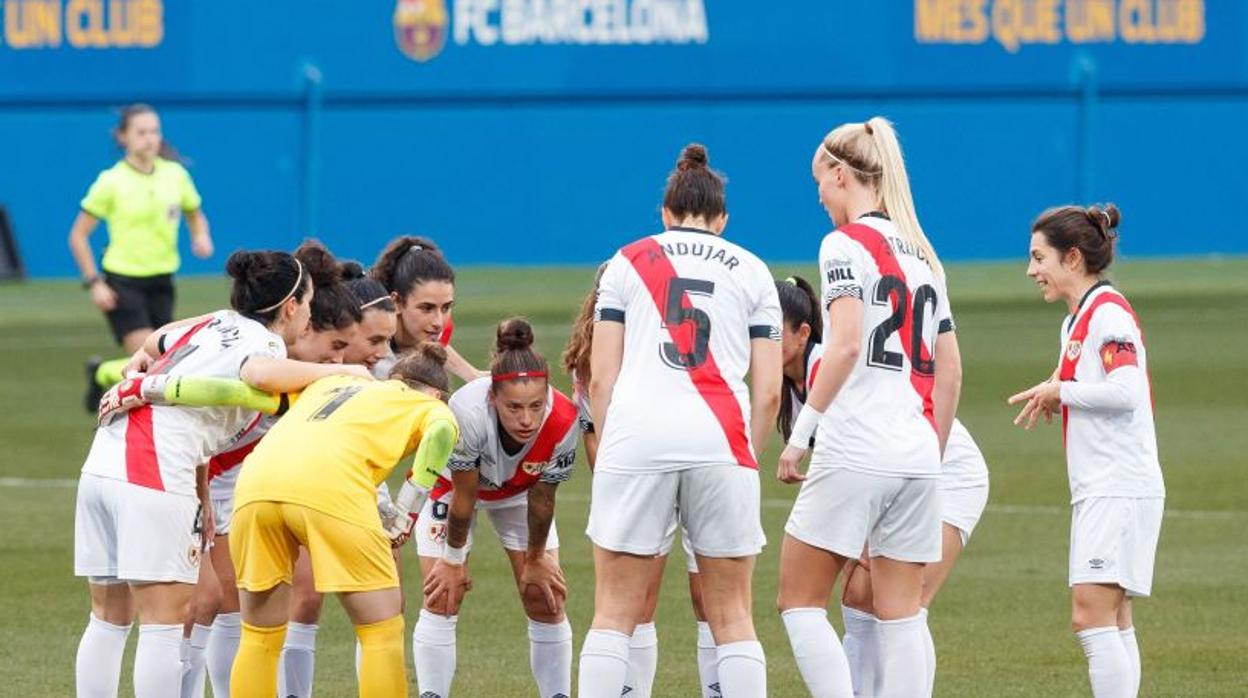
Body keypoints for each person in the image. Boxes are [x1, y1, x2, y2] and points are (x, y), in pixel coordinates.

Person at [74, 249, 368, 698]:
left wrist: (138, 355)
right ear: (290, 307)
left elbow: (160, 338)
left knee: (108, 617)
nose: (308, 315)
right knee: (164, 623)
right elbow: (262, 373)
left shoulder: (213, 321)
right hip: (152, 466)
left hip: (103, 461)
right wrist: (349, 374)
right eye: (307, 304)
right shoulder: (264, 341)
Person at [578, 143, 783, 698]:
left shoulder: (625, 261)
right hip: (722, 438)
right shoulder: (754, 270)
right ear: (722, 219)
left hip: (635, 438)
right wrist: (747, 452)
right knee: (733, 615)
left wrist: (612, 447)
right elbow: (767, 392)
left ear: (665, 214)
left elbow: (601, 378)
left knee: (614, 612)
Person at [775, 117, 961, 697]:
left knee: (798, 601)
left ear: (840, 173)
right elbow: (951, 369)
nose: (820, 197)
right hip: (916, 452)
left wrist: (800, 434)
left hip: (858, 442)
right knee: (901, 614)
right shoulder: (925, 255)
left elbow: (848, 344)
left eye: (820, 183)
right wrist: (928, 451)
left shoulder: (843, 244)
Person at [774, 275, 989, 696]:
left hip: (948, 474)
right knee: (857, 597)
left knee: (905, 605)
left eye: (771, 330)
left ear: (802, 334)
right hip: (893, 469)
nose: (761, 340)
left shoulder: (826, 367)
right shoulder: (794, 384)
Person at [181, 242, 364, 698]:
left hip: (223, 483)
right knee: (205, 602)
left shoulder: (294, 368)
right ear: (303, 323)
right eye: (336, 346)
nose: (340, 360)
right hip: (188, 475)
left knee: (232, 605)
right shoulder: (265, 355)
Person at [227, 344, 459, 698]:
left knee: (259, 636)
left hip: (255, 485)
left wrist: (155, 389)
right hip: (331, 487)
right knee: (380, 632)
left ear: (394, 378)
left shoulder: (331, 385)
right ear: (438, 393)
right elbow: (441, 434)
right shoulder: (430, 406)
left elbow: (246, 395)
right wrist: (405, 513)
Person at [1009, 204, 1164, 698]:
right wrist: (1056, 388)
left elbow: (1127, 391)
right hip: (1105, 486)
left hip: (1118, 486)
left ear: (1072, 257)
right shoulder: (1078, 318)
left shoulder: (1108, 313)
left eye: (1039, 258)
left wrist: (1063, 392)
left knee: (1090, 615)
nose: (1032, 271)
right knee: (1113, 618)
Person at [561, 266, 713, 698]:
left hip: (692, 463)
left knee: (709, 601)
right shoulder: (591, 360)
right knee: (638, 604)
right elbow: (593, 436)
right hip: (645, 473)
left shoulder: (667, 347)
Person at [411, 318, 578, 698]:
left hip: (521, 492)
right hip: (452, 490)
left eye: (536, 406)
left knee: (545, 595)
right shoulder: (467, 411)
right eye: (514, 407)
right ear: (492, 398)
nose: (526, 419)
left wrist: (536, 558)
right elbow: (464, 498)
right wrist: (453, 560)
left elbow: (543, 498)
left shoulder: (564, 419)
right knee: (442, 594)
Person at [68, 103, 213, 409]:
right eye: (141, 132)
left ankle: (103, 373)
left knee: (164, 360)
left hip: (162, 281)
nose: (150, 138)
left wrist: (201, 236)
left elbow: (195, 214)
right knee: (153, 363)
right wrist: (95, 283)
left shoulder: (175, 175)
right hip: (123, 281)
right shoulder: (111, 181)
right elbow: (78, 236)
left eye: (155, 131)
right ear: (123, 137)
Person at [370, 235, 482, 381]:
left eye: (446, 307)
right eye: (426, 308)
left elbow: (436, 345)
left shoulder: (436, 331)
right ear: (396, 302)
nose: (439, 322)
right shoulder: (372, 354)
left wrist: (473, 376)